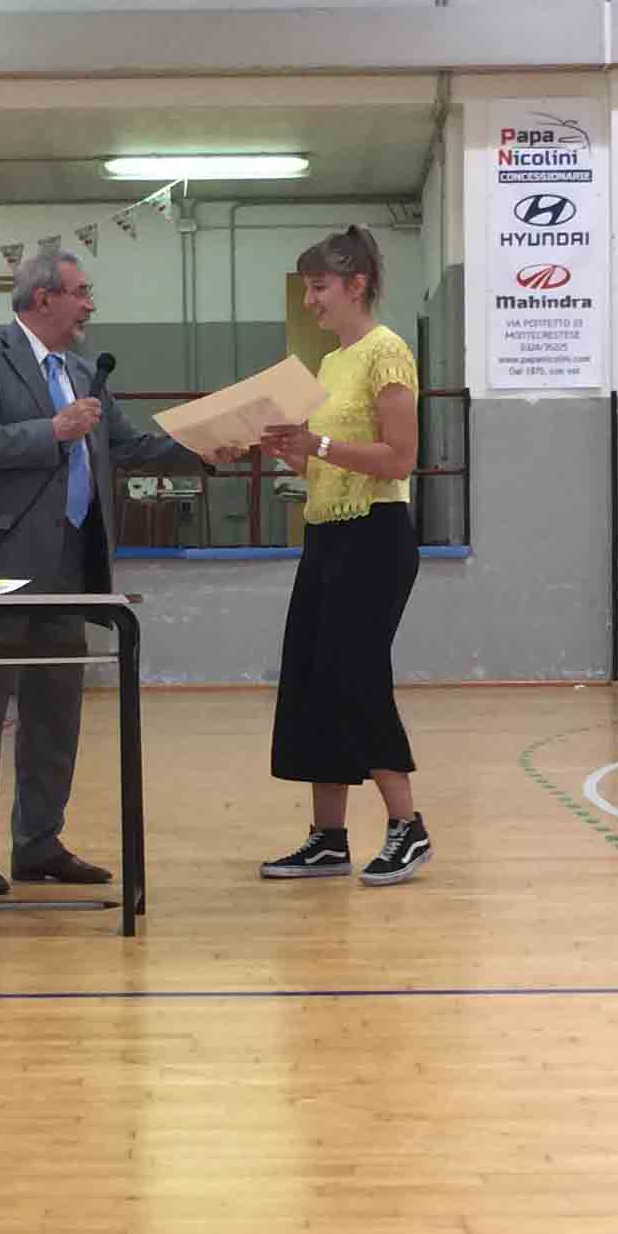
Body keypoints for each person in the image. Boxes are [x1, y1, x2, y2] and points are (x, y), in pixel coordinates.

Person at [0, 247, 221, 895]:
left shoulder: (86, 370)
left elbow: (128, 445)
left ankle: (38, 843)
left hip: (71, 562)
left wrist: (204, 449)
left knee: (55, 713)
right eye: (81, 292)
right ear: (44, 299)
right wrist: (54, 429)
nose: (90, 304)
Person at [255, 224, 431, 887]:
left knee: (357, 678)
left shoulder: (388, 353)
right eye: (307, 289)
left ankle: (407, 826)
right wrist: (294, 452)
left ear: (357, 284)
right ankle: (328, 838)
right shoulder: (330, 365)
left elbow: (399, 458)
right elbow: (326, 462)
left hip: (375, 539)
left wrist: (319, 446)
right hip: (326, 534)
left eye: (319, 287)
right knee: (312, 679)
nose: (310, 301)